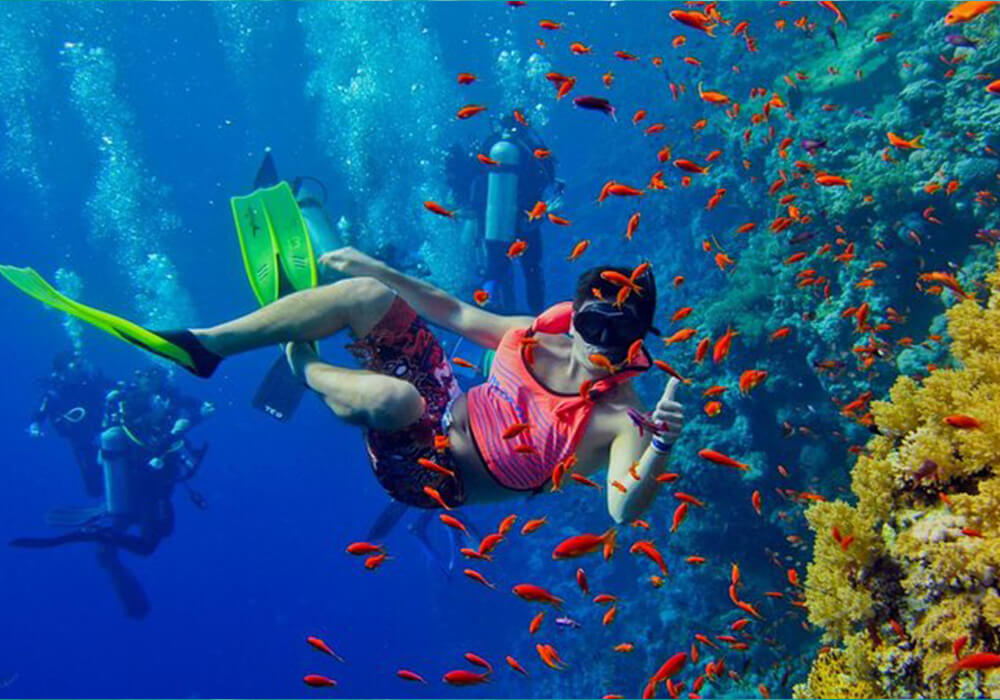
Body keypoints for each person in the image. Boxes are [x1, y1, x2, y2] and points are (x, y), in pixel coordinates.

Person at [1, 247, 684, 524]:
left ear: (638, 343)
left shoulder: (620, 420)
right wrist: (376, 269)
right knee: (361, 294)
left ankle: (304, 368)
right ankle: (205, 347)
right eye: (593, 323)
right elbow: (454, 313)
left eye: (619, 335)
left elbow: (624, 511)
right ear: (578, 313)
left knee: (394, 400)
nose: (599, 346)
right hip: (443, 397)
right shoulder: (541, 330)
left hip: (424, 472)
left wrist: (659, 449)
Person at [10, 367, 212, 616]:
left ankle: (106, 544)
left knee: (154, 531)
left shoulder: (165, 397)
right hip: (146, 483)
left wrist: (188, 420)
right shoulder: (130, 400)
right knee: (148, 543)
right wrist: (166, 425)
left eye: (154, 375)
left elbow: (196, 411)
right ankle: (97, 535)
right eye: (146, 375)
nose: (150, 379)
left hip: (150, 482)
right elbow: (140, 428)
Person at [445, 115, 565, 315]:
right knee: (532, 271)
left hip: (491, 220)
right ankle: (539, 320)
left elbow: (475, 183)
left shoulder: (490, 144)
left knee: (495, 268)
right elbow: (542, 180)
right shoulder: (528, 148)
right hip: (526, 221)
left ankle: (489, 312)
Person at [28, 351, 111, 498]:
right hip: (81, 439)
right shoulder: (55, 392)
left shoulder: (91, 380)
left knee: (118, 464)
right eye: (75, 366)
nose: (80, 370)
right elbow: (41, 411)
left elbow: (112, 385)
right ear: (63, 371)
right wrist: (35, 426)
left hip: (104, 432)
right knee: (94, 486)